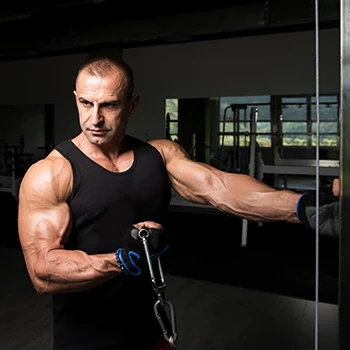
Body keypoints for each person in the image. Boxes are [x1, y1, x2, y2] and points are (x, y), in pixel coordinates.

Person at [17, 55, 340, 350]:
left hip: (149, 330)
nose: (95, 118)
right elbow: (42, 271)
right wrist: (122, 259)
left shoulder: (158, 156)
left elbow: (220, 187)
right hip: (85, 341)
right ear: (76, 99)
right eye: (86, 103)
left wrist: (305, 208)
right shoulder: (52, 173)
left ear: (132, 105)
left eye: (109, 105)